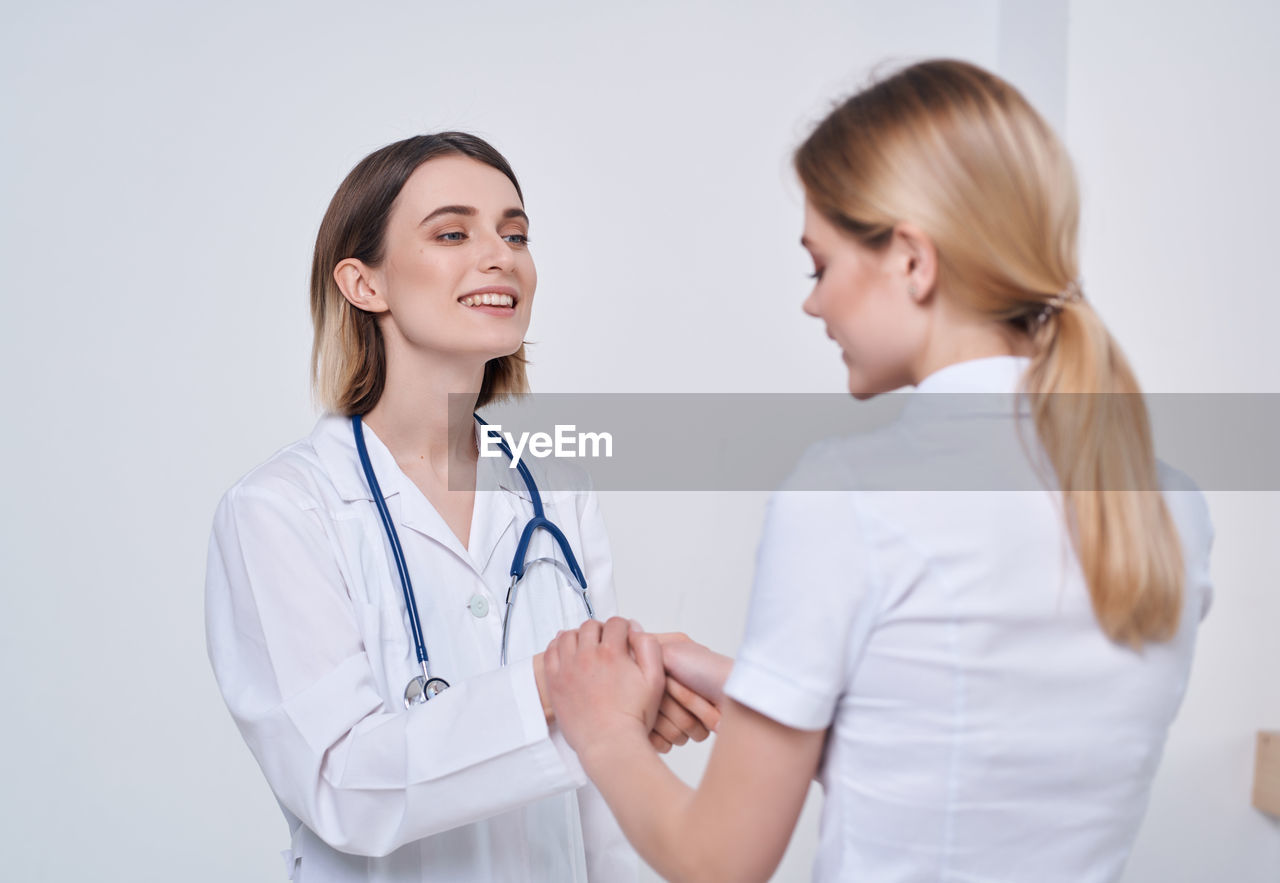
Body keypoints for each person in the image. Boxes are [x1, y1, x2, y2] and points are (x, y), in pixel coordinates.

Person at [544, 59, 1215, 882]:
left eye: (818, 265)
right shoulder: (1169, 503)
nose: (812, 302)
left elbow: (717, 860)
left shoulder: (851, 493)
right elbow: (969, 755)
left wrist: (599, 726)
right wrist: (759, 685)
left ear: (911, 260)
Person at [204, 132, 718, 882]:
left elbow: (604, 804)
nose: (501, 254)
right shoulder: (281, 511)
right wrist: (561, 693)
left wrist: (621, 714)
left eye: (516, 233)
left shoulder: (556, 491)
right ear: (363, 283)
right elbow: (343, 785)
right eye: (453, 232)